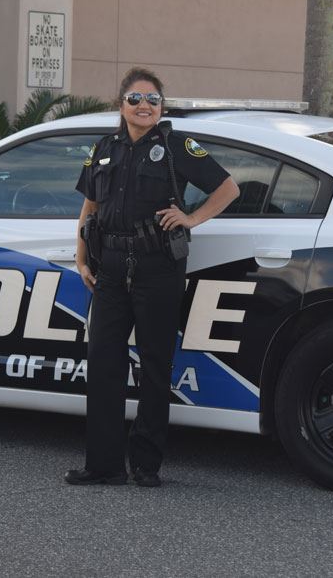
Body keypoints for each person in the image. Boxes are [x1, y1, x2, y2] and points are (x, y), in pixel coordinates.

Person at [67, 67, 239, 487]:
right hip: (109, 269)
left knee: (155, 366)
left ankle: (146, 465)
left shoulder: (177, 145)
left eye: (153, 99)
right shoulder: (104, 148)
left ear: (161, 107)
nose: (144, 105)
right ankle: (103, 465)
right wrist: (82, 256)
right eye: (135, 99)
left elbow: (228, 188)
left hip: (157, 268)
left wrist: (191, 218)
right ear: (120, 105)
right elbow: (90, 207)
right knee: (103, 364)